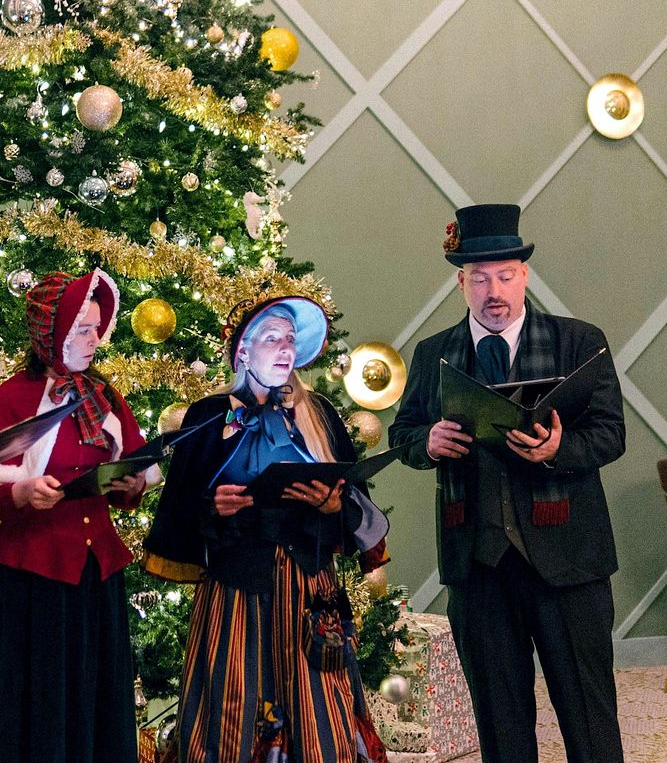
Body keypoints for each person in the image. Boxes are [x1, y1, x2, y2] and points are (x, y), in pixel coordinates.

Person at [389, 203, 626, 763]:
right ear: (461, 282)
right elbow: (403, 434)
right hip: (479, 564)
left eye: (505, 275)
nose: (493, 290)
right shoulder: (432, 354)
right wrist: (426, 442)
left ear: (524, 275)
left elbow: (611, 435)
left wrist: (557, 449)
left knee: (590, 717)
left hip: (570, 563)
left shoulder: (578, 342)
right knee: (500, 724)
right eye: (479, 278)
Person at [143, 296, 391, 763]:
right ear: (243, 351)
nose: (284, 349)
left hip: (309, 591)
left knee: (320, 712)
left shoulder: (318, 414)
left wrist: (333, 504)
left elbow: (357, 506)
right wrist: (212, 507)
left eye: (290, 340)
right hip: (238, 591)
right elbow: (178, 514)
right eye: (271, 338)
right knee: (234, 707)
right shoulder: (210, 416)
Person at [0, 269, 150, 763]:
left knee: (97, 698)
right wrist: (19, 494)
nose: (95, 340)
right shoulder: (11, 399)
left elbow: (132, 463)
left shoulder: (104, 397)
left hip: (96, 576)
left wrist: (131, 486)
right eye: (83, 330)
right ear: (53, 333)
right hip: (33, 579)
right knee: (37, 703)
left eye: (96, 329)